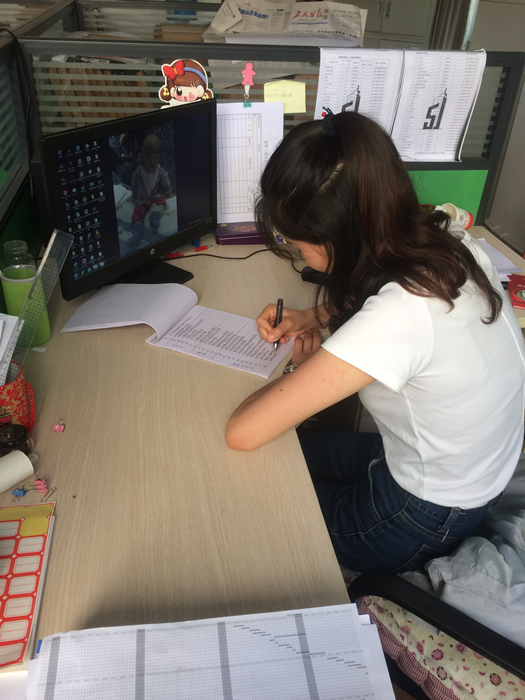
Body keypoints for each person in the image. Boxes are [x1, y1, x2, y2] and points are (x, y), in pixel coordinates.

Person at [226, 111, 525, 574]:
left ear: (337, 239)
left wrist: (297, 370)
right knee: (286, 454)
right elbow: (377, 296)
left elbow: (243, 432)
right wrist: (310, 317)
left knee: (240, 492)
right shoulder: (448, 240)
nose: (298, 253)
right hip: (462, 475)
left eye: (298, 245)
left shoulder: (401, 315)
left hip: (424, 514)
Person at [127, 134, 172, 253]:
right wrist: (134, 195)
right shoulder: (138, 173)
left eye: (155, 158)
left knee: (160, 202)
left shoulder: (160, 172)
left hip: (155, 197)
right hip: (142, 199)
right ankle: (137, 233)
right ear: (142, 155)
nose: (152, 161)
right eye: (148, 156)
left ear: (159, 158)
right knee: (137, 212)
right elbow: (134, 186)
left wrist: (169, 191)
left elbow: (166, 182)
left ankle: (154, 218)